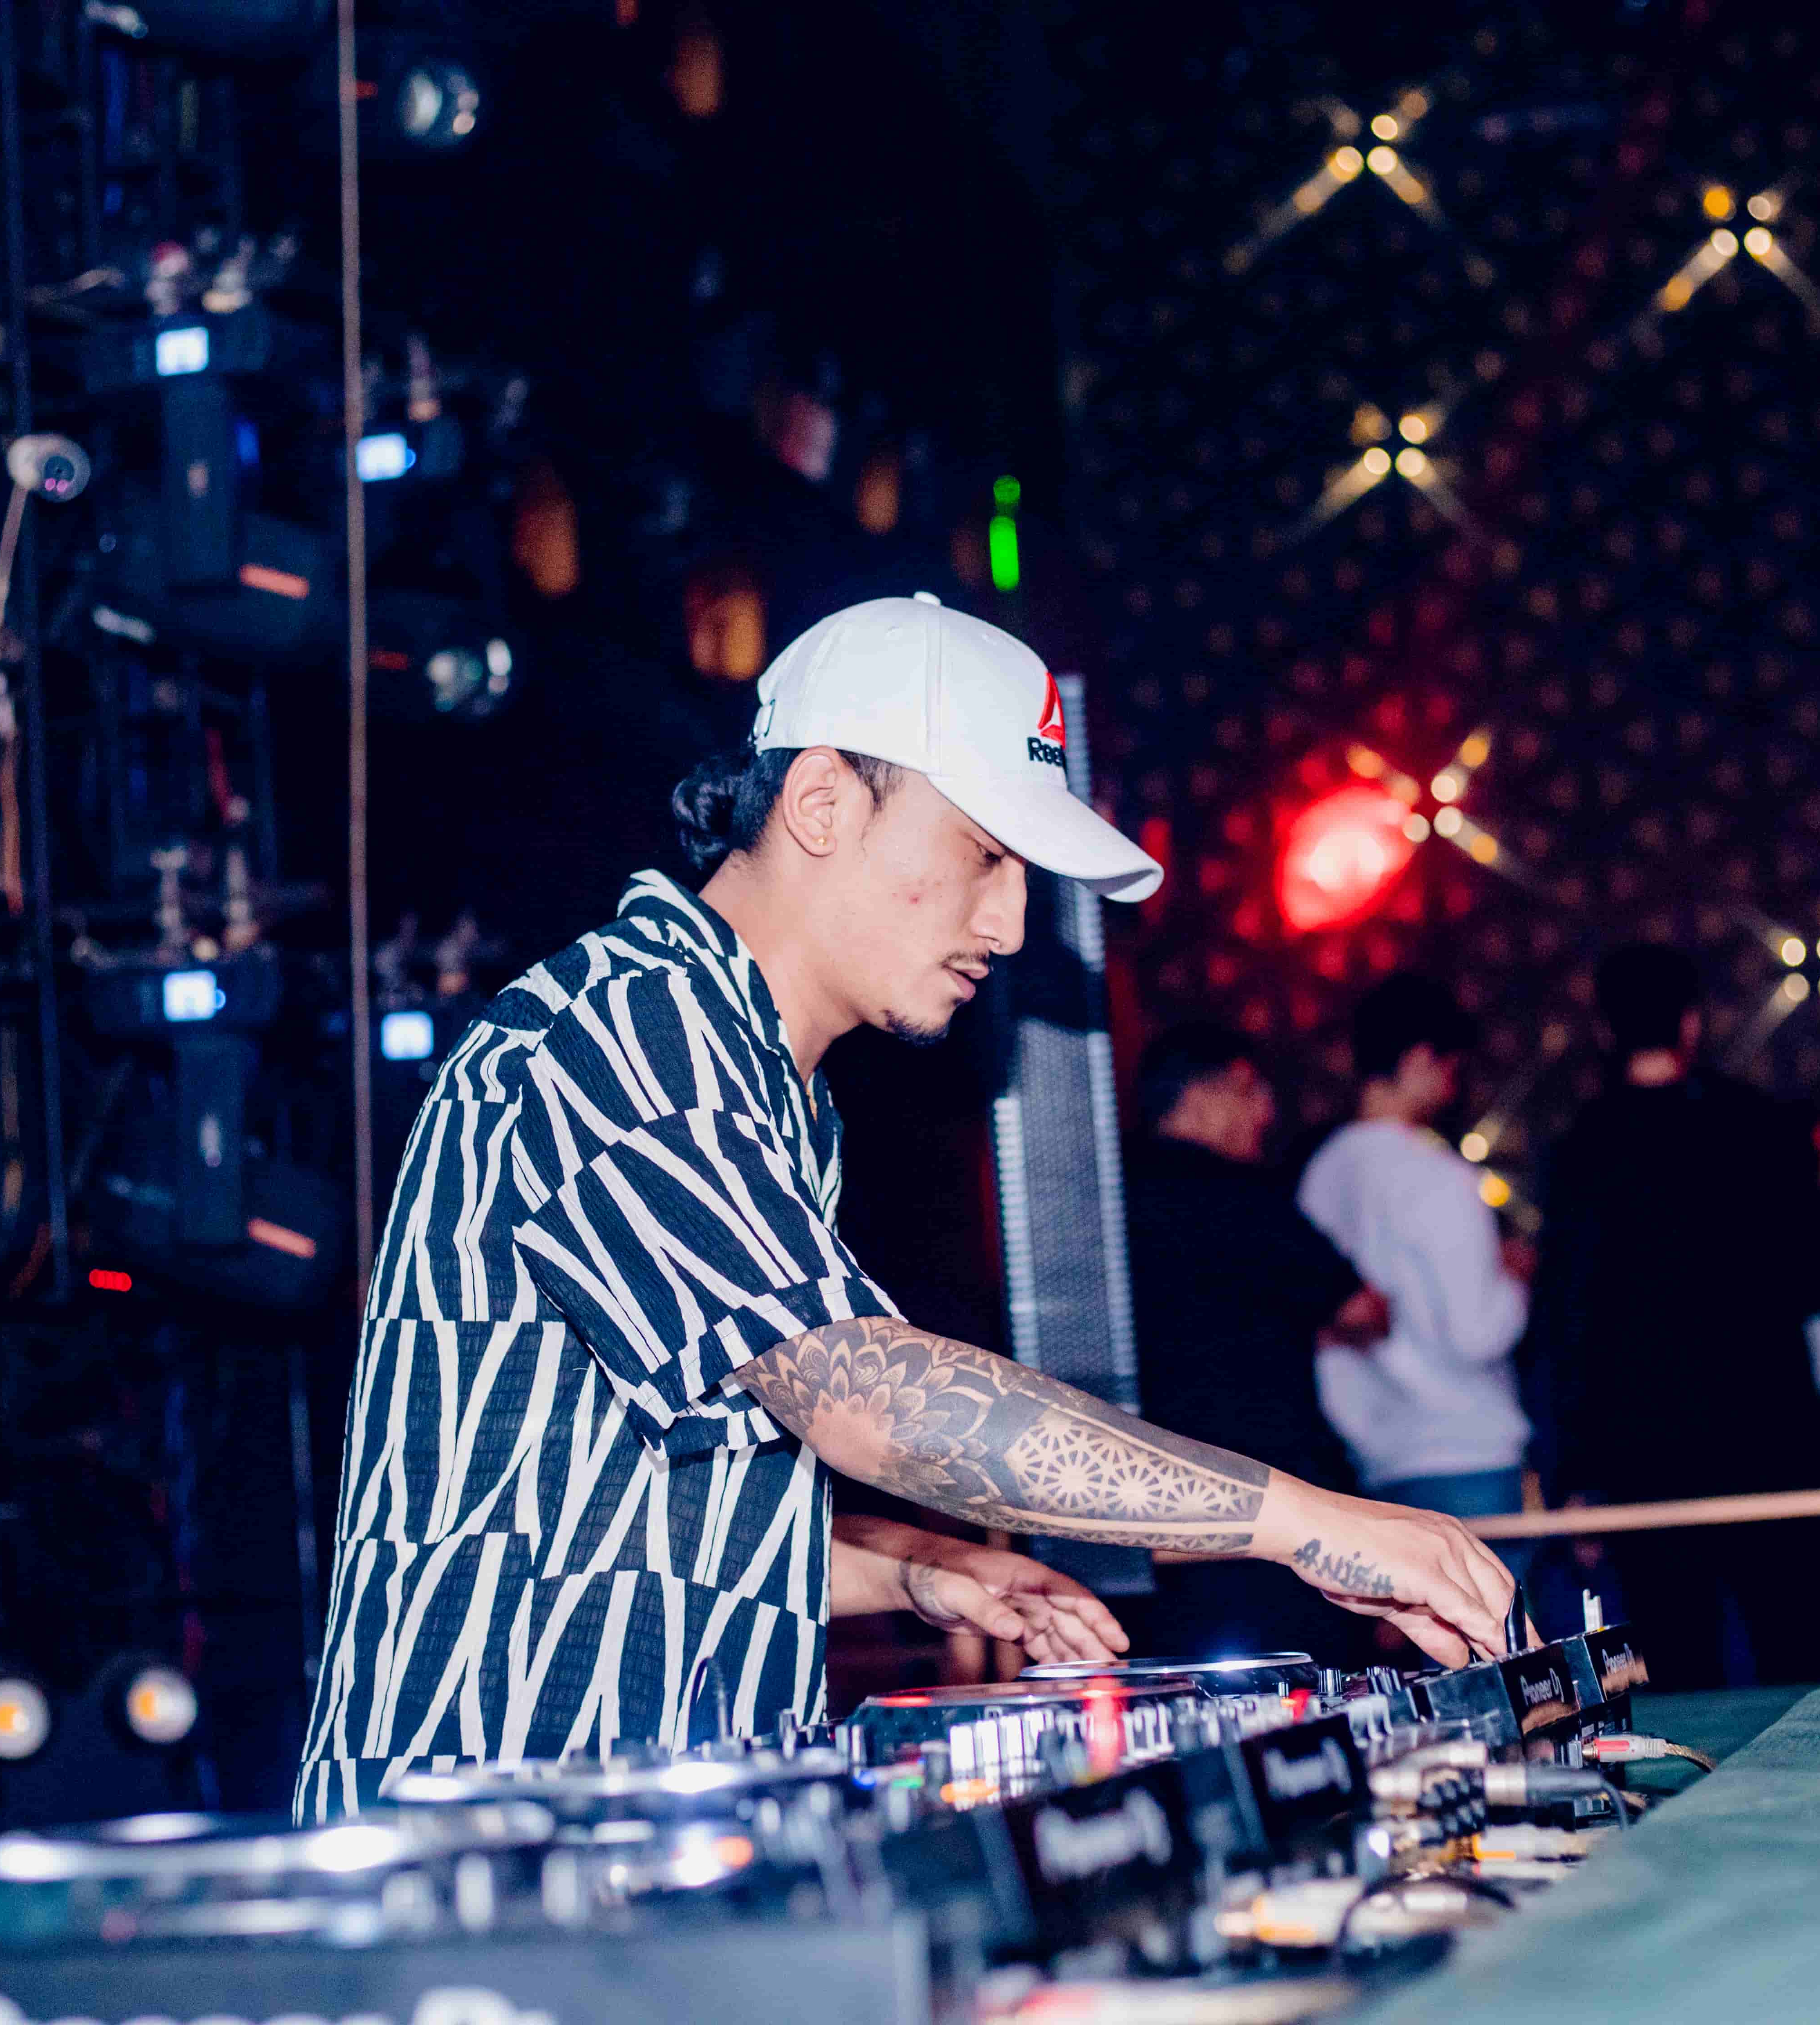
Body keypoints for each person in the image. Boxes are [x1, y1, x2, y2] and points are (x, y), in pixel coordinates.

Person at [296, 596, 1515, 1810]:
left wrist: (919, 1567)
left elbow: (625, 1508)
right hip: (464, 1846)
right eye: (985, 853)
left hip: (617, 1838)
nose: (1012, 923)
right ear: (822, 802)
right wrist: (1304, 1521)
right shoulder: (628, 1029)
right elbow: (868, 1393)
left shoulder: (761, 1084)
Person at [1523, 944, 1820, 1689]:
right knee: (1799, 1654)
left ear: (1606, 1031)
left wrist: (1570, 1472)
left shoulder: (1583, 1150)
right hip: (1769, 1432)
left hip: (1646, 1451)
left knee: (1679, 1670)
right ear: (1692, 1023)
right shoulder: (1762, 1125)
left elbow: (1564, 1325)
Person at [1119, 1022, 1382, 1661]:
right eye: (1250, 1092)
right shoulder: (1242, 1196)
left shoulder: (1103, 1201)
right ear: (1199, 1097)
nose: (1265, 1113)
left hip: (1140, 1497)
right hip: (1267, 1486)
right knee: (1305, 1688)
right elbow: (1362, 1309)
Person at [1295, 977, 1534, 1576]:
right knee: (1492, 1628)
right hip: (1466, 1450)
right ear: (1421, 1060)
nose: (1454, 1087)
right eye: (1452, 1068)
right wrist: (1516, 1279)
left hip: (1371, 1458)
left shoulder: (1317, 1180)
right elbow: (1476, 1332)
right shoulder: (1436, 1175)